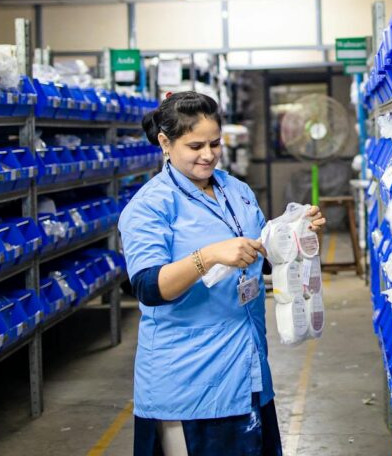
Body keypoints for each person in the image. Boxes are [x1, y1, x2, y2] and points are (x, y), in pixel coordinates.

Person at [119, 91, 325, 456]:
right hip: (190, 379)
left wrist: (296, 236)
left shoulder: (236, 190)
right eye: (195, 145)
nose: (209, 154)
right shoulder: (150, 206)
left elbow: (261, 257)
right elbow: (149, 287)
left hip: (247, 366)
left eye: (215, 143)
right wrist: (208, 256)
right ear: (165, 143)